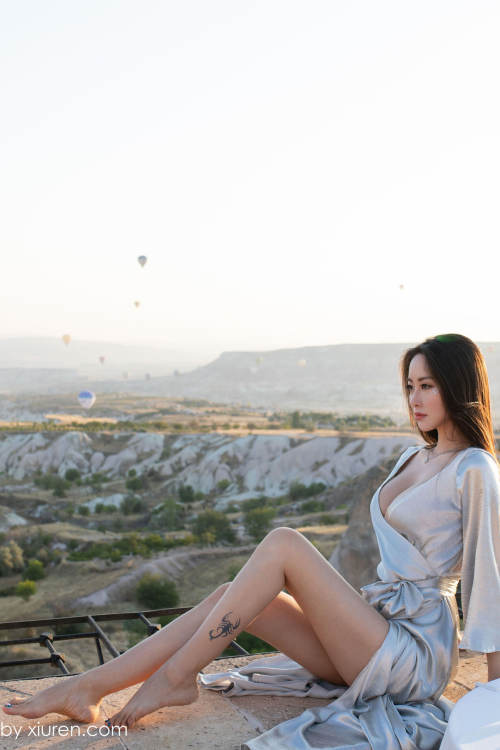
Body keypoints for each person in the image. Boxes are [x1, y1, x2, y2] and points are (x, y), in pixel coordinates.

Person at [3, 333, 500, 749]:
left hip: (414, 653)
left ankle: (174, 678)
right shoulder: (414, 457)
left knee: (285, 543)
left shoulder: (474, 468)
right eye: (410, 386)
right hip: (376, 631)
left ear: (458, 386)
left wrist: (492, 704)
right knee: (233, 597)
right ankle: (88, 687)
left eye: (427, 386)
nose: (414, 399)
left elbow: (490, 586)